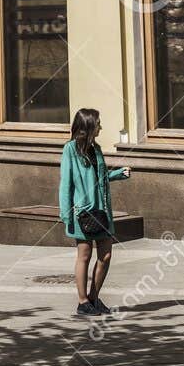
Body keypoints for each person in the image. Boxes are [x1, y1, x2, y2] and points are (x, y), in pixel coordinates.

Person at [59, 109, 130, 319]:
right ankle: (82, 302)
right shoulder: (70, 150)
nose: (101, 127)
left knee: (106, 255)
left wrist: (117, 174)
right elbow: (66, 184)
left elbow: (100, 177)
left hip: (102, 211)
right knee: (85, 255)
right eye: (98, 123)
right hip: (83, 213)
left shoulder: (96, 149)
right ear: (88, 126)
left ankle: (93, 297)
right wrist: (66, 215)